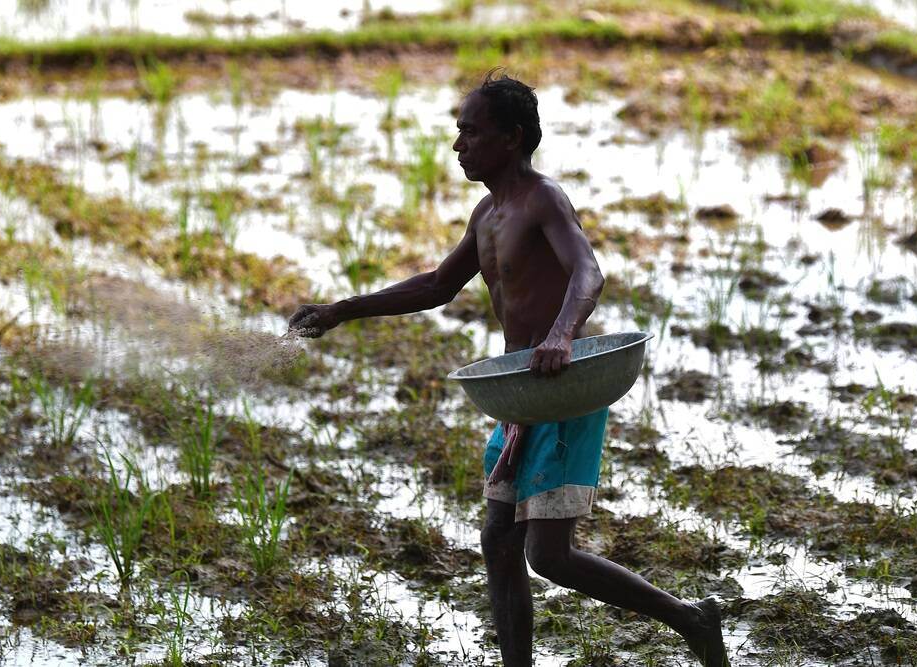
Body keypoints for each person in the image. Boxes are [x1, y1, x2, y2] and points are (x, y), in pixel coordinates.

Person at [288, 69, 728, 667]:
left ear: (512, 138)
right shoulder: (487, 213)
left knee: (549, 556)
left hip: (561, 387)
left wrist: (561, 337)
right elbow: (439, 286)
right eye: (459, 132)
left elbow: (587, 272)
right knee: (499, 538)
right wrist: (342, 310)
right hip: (523, 392)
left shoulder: (542, 199)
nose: (458, 145)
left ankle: (689, 619)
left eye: (471, 132)